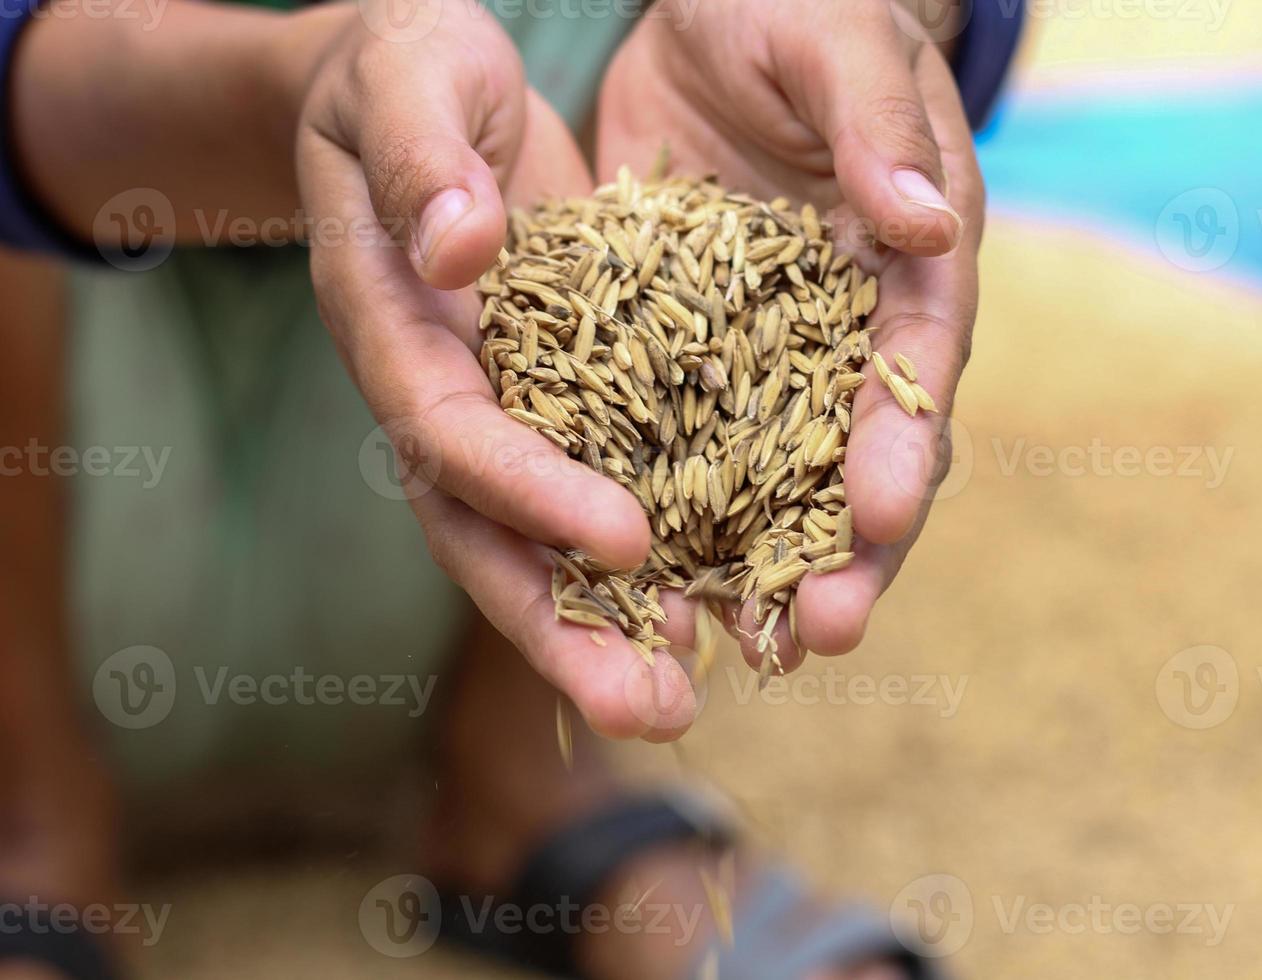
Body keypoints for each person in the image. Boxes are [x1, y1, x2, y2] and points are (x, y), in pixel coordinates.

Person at [0, 1, 1018, 977]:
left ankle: (524, 764)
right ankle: (30, 829)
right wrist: (300, 84)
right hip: (73, 325)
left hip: (445, 329)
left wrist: (886, 18)